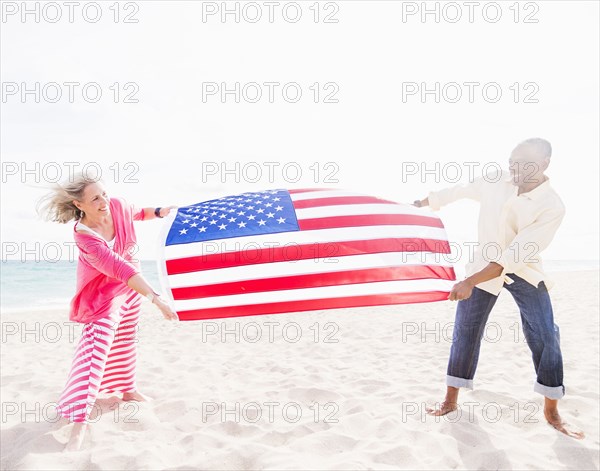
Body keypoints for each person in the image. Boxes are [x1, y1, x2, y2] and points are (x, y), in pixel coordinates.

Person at [413, 138, 583, 439]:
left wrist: (469, 282)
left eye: (524, 163)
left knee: (545, 334)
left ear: (544, 165)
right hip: (481, 267)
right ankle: (450, 401)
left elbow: (511, 258)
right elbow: (459, 191)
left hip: (522, 270)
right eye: (512, 161)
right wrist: (425, 203)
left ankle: (551, 410)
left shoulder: (552, 206)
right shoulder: (495, 181)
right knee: (466, 331)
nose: (514, 169)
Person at [37, 172, 179, 451]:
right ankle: (79, 423)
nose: (104, 201)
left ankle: (128, 390)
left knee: (126, 340)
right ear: (79, 204)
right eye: (95, 198)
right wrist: (157, 299)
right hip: (103, 297)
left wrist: (163, 211)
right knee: (94, 353)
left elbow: (140, 212)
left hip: (131, 290)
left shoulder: (116, 204)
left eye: (104, 194)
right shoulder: (84, 236)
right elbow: (120, 268)